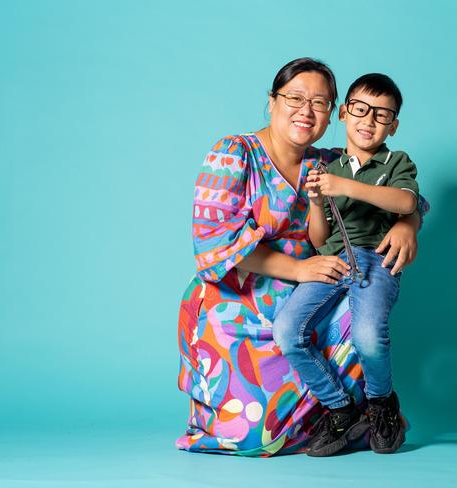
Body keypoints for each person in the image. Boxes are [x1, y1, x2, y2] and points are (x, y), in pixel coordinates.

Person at [177, 58, 427, 456]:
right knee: (250, 435)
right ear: (272, 101)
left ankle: (364, 413)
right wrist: (296, 267)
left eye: (320, 102)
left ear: (333, 113)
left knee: (364, 314)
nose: (306, 110)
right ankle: (337, 417)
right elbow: (210, 246)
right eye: (295, 97)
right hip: (238, 299)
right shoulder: (233, 153)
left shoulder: (326, 162)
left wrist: (407, 224)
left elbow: (397, 196)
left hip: (313, 287)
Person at [273, 73, 417, 457]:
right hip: (333, 259)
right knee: (287, 331)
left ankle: (381, 403)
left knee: (368, 336)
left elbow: (406, 204)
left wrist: (345, 188)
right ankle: (339, 408)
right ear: (343, 114)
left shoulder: (396, 162)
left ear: (393, 125)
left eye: (381, 115)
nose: (368, 120)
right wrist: (319, 202)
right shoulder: (328, 167)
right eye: (360, 109)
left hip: (377, 260)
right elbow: (320, 240)